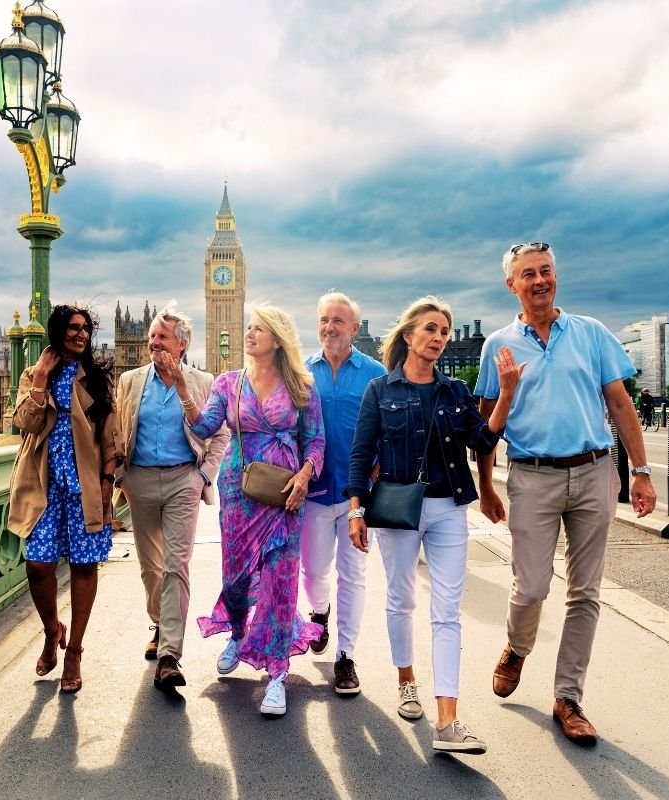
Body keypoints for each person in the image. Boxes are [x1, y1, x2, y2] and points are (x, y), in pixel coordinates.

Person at [475, 242, 656, 747]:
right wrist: (486, 485)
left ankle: (568, 698)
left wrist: (640, 471)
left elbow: (620, 404)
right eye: (528, 274)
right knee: (530, 587)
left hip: (594, 470)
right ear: (511, 284)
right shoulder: (498, 346)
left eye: (546, 271)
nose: (539, 280)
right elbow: (488, 423)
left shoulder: (591, 333)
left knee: (586, 591)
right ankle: (516, 646)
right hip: (532, 477)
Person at [347, 296, 522, 755]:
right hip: (400, 509)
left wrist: (504, 395)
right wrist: (355, 510)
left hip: (448, 508)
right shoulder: (380, 391)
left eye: (444, 332)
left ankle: (448, 720)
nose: (439, 339)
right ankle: (407, 680)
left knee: (447, 609)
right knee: (401, 598)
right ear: (408, 336)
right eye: (431, 329)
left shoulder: (455, 392)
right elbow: (361, 455)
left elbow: (483, 439)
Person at [164, 305, 326, 717]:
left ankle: (276, 674)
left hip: (286, 493)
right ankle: (237, 632)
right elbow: (203, 429)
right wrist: (184, 389)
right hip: (239, 491)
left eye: (257, 329)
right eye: (248, 328)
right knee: (235, 578)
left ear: (277, 338)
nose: (249, 334)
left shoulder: (301, 386)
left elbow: (316, 441)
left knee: (280, 584)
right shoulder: (228, 383)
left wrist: (305, 476)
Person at [8, 304, 122, 695]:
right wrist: (40, 376)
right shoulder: (32, 375)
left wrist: (108, 481)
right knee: (38, 566)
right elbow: (24, 422)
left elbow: (111, 433)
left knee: (83, 567)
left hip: (85, 485)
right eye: (74, 328)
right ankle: (52, 628)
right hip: (44, 485)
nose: (81, 335)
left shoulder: (97, 378)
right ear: (58, 331)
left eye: (86, 329)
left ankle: (73, 651)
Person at [115, 306, 229, 691]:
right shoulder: (130, 381)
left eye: (162, 337)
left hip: (184, 478)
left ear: (182, 344)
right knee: (151, 568)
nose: (153, 342)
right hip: (140, 480)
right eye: (151, 336)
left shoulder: (203, 381)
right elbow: (118, 431)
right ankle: (161, 622)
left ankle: (169, 655)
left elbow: (222, 434)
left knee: (176, 565)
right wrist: (119, 477)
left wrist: (202, 476)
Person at [301, 291, 386, 696]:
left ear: (354, 328)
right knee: (315, 570)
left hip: (357, 496)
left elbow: (390, 428)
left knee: (352, 576)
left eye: (338, 321)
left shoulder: (374, 373)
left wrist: (376, 473)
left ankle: (345, 656)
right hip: (314, 492)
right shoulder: (301, 373)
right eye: (324, 320)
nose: (330, 327)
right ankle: (319, 611)